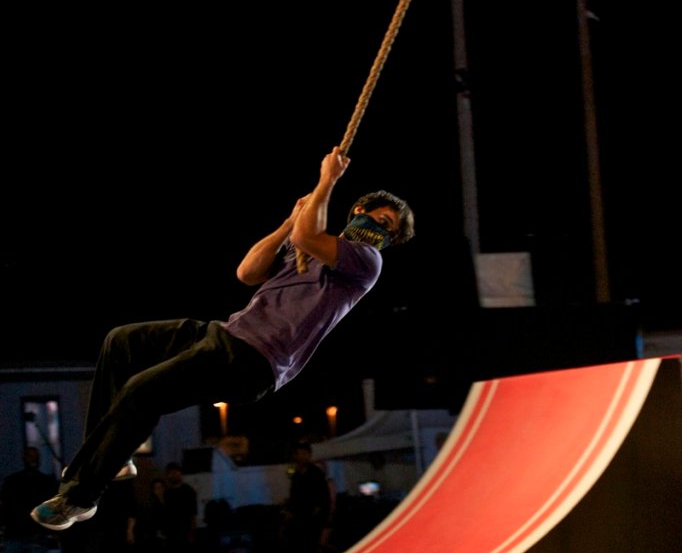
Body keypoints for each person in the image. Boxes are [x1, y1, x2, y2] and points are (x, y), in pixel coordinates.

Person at [30, 145, 415, 532]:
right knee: (121, 342)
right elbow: (248, 272)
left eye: (386, 223)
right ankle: (116, 456)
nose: (374, 222)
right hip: (227, 334)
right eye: (370, 214)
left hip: (254, 359)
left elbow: (309, 234)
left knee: (141, 391)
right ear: (355, 213)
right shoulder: (307, 249)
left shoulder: (366, 261)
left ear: (389, 237)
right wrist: (287, 223)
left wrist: (327, 180)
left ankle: (79, 498)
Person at [1, 446, 58, 553]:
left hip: (22, 534)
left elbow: (6, 507)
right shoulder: (43, 482)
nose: (32, 459)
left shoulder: (13, 481)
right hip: (28, 535)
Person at [163, 463, 212, 553]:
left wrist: (191, 532)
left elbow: (192, 514)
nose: (174, 475)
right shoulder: (168, 493)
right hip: (174, 533)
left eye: (176, 472)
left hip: (184, 532)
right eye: (171, 473)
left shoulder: (188, 491)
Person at [278, 442, 332, 553]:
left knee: (312, 537)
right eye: (299, 454)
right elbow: (294, 494)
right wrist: (289, 510)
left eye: (305, 454)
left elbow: (322, 494)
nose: (302, 457)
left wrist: (317, 510)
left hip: (313, 512)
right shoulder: (297, 475)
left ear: (309, 455)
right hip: (300, 511)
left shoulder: (316, 473)